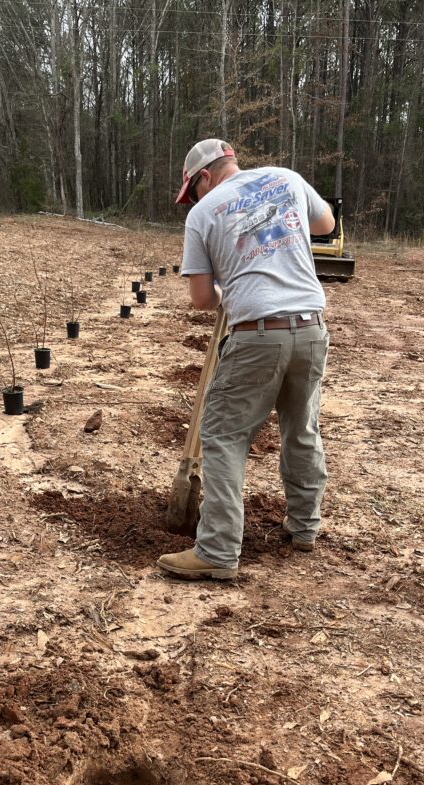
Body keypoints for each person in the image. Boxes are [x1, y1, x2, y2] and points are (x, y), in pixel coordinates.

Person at [158, 139, 336, 581]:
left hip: (257, 335)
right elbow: (325, 224)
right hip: (311, 327)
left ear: (203, 177)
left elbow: (202, 299)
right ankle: (304, 527)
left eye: (192, 191)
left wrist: (229, 287)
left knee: (222, 434)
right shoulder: (286, 178)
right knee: (301, 427)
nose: (194, 201)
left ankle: (217, 550)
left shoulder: (203, 213)